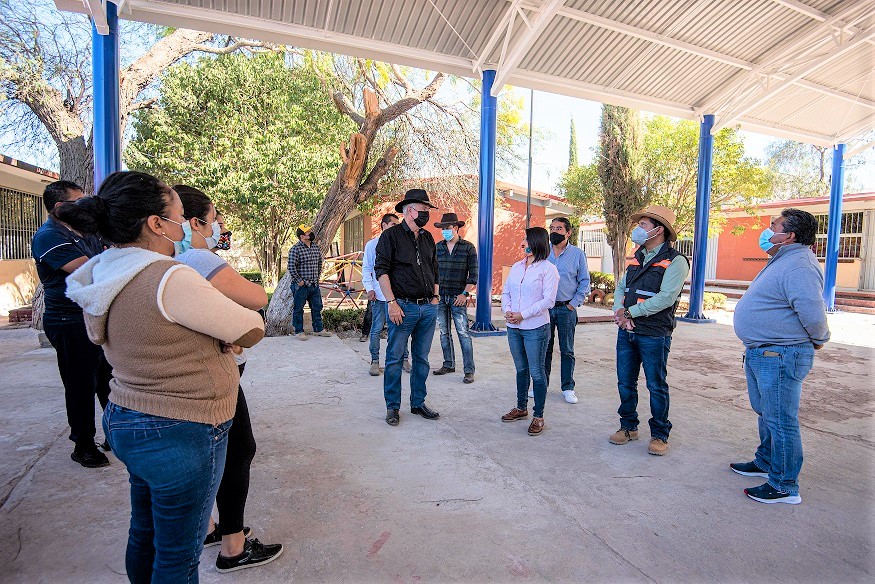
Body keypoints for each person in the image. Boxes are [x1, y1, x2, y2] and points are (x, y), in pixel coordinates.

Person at [59, 171, 265, 583]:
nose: (181, 225)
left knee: (145, 535)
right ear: (156, 223)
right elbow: (249, 326)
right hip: (181, 426)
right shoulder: (167, 277)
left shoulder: (102, 274)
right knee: (177, 556)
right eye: (176, 215)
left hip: (128, 414)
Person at [174, 185, 283, 571]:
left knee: (205, 454)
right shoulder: (197, 258)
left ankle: (207, 527)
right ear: (193, 222)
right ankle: (233, 546)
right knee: (238, 449)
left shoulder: (156, 261)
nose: (219, 224)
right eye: (215, 216)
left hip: (180, 375)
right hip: (215, 373)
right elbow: (256, 297)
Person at [731, 208, 830, 505]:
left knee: (781, 419)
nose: (767, 230)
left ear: (789, 235)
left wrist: (819, 339)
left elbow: (812, 312)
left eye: (773, 226)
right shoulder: (783, 259)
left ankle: (785, 485)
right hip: (765, 352)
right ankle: (766, 462)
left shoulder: (799, 265)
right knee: (767, 413)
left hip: (781, 353)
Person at [31, 180, 112, 468]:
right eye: (78, 201)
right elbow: (89, 270)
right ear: (58, 207)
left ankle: (113, 434)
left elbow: (106, 260)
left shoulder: (86, 232)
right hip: (68, 320)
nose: (84, 205)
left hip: (94, 315)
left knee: (108, 380)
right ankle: (83, 444)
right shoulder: (48, 236)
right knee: (80, 383)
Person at [610, 206, 689, 456]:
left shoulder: (676, 261)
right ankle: (628, 426)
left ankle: (659, 434)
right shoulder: (638, 256)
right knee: (625, 382)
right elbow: (621, 288)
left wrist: (631, 313)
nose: (638, 229)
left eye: (643, 224)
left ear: (659, 229)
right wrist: (620, 313)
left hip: (654, 333)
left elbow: (666, 297)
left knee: (656, 385)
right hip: (627, 331)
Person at [374, 188, 441, 426]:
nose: (427, 215)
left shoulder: (427, 237)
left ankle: (418, 403)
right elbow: (381, 271)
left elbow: (434, 269)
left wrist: (435, 298)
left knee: (421, 359)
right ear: (410, 210)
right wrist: (391, 303)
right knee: (394, 359)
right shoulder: (390, 237)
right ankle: (393, 407)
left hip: (427, 309)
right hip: (402, 307)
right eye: (424, 210)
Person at [500, 227, 559, 436]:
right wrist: (507, 310)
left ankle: (538, 415)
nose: (522, 243)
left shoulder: (548, 269)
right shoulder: (516, 267)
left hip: (535, 327)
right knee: (521, 369)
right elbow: (505, 290)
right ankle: (521, 407)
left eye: (526, 240)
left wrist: (523, 314)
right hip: (513, 327)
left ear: (537, 243)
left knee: (537, 371)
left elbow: (548, 300)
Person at [545, 217, 590, 404]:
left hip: (566, 308)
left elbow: (585, 281)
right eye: (552, 228)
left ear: (568, 232)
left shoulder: (578, 254)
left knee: (567, 350)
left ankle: (568, 387)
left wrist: (573, 304)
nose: (554, 231)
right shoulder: (543, 251)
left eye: (559, 228)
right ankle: (541, 384)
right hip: (545, 309)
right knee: (543, 349)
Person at [361, 213, 410, 376]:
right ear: (383, 225)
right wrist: (369, 289)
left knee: (400, 329)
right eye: (393, 225)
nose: (397, 228)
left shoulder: (401, 245)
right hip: (379, 297)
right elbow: (367, 269)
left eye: (398, 225)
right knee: (376, 329)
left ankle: (404, 359)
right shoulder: (372, 245)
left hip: (398, 297)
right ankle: (375, 361)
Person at [432, 212, 478, 384]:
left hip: (458, 297)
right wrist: (435, 295)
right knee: (444, 333)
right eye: (443, 228)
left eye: (448, 228)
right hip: (441, 297)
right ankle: (448, 364)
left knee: (463, 333)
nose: (445, 231)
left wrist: (464, 294)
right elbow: (432, 273)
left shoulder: (468, 248)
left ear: (456, 228)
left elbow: (473, 275)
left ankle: (469, 370)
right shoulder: (437, 247)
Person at [288, 224, 330, 340]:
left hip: (314, 285)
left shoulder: (315, 247)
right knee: (298, 309)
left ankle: (318, 329)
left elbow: (319, 264)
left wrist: (317, 277)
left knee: (317, 307)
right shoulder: (295, 249)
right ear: (302, 236)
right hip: (301, 286)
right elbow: (291, 266)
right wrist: (299, 281)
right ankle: (299, 331)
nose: (311, 233)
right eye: (308, 232)